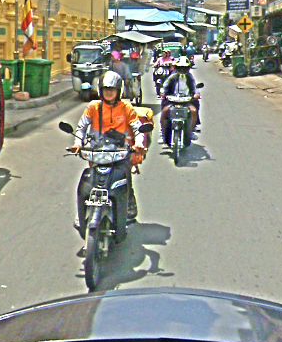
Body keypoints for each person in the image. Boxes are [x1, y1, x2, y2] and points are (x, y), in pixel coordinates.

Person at [70, 71, 147, 234]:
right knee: (90, 180)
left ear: (118, 91)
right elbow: (82, 127)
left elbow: (137, 128)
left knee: (125, 177)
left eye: (112, 90)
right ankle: (82, 211)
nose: (109, 93)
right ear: (101, 90)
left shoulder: (126, 108)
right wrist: (77, 143)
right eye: (106, 89)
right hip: (97, 150)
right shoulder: (93, 107)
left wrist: (139, 143)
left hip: (120, 150)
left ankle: (128, 203)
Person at [160, 56, 200, 146]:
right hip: (173, 100)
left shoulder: (190, 77)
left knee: (194, 111)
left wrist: (196, 94)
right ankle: (163, 133)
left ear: (188, 68)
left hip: (186, 100)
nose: (182, 70)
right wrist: (163, 92)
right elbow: (165, 86)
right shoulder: (173, 76)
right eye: (180, 67)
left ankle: (190, 131)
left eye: (185, 68)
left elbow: (195, 87)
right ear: (176, 67)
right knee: (165, 111)